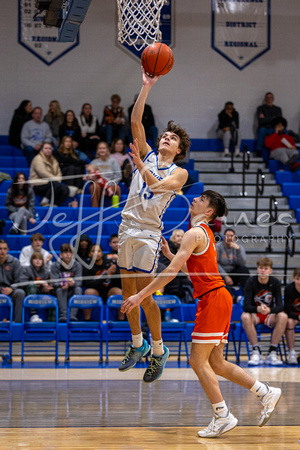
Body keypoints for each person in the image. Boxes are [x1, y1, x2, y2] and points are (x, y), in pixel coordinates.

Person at [121, 190, 282, 438]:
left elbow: (172, 272)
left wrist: (140, 295)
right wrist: (169, 255)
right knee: (215, 363)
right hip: (217, 297)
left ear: (208, 211)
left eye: (201, 200)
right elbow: (193, 269)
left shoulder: (194, 232)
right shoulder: (203, 233)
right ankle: (265, 392)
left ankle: (222, 415)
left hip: (214, 299)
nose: (194, 200)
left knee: (197, 360)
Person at [118, 67, 190, 383]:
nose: (165, 138)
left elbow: (158, 188)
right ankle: (138, 344)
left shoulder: (179, 174)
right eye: (164, 135)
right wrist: (145, 87)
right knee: (126, 293)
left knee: (145, 296)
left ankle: (159, 351)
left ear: (178, 150)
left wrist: (138, 166)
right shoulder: (146, 154)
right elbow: (136, 122)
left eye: (172, 138)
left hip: (148, 233)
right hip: (126, 226)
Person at [241, 257, 288, 366]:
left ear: (270, 271)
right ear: (257, 269)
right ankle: (256, 351)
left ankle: (272, 352)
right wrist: (258, 309)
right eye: (261, 268)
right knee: (245, 316)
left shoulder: (275, 282)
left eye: (265, 268)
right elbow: (246, 306)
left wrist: (269, 310)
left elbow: (280, 306)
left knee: (283, 316)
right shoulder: (251, 281)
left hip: (269, 315)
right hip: (255, 315)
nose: (263, 270)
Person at [82, 244, 123, 321]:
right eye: (93, 251)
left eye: (98, 251)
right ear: (89, 254)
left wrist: (115, 272)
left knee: (118, 292)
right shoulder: (86, 265)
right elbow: (87, 284)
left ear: (102, 253)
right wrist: (106, 275)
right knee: (88, 291)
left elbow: (120, 281)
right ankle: (87, 321)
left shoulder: (110, 263)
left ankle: (121, 320)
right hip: (96, 291)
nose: (96, 253)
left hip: (109, 291)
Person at [158, 229, 194, 304]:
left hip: (179, 276)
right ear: (173, 237)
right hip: (169, 277)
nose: (180, 238)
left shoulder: (184, 249)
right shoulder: (169, 248)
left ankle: (188, 302)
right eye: (178, 236)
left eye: (182, 236)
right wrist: (185, 273)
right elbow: (167, 265)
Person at [29, 142, 70, 206]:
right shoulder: (37, 159)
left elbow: (59, 172)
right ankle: (44, 202)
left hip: (52, 184)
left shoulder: (54, 159)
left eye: (50, 148)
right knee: (55, 184)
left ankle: (55, 205)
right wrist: (56, 180)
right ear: (42, 149)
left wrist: (57, 180)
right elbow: (43, 173)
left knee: (65, 189)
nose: (48, 150)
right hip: (37, 184)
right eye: (46, 148)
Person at [51, 243, 82, 322]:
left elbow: (79, 281)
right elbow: (54, 281)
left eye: (70, 252)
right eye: (65, 252)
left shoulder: (77, 265)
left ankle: (72, 316)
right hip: (60, 289)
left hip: (72, 289)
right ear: (61, 255)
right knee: (60, 289)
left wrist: (73, 282)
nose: (68, 255)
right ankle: (63, 316)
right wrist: (61, 283)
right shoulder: (54, 265)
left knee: (78, 289)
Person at [217, 228, 250, 300]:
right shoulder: (218, 247)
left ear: (234, 237)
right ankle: (231, 297)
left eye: (231, 236)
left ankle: (246, 297)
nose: (229, 238)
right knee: (218, 276)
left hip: (234, 273)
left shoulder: (239, 247)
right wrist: (225, 276)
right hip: (222, 273)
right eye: (227, 236)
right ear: (224, 237)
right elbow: (215, 263)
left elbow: (242, 263)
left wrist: (238, 251)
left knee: (244, 270)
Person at [85, 141, 121, 207]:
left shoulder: (113, 161)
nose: (102, 150)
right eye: (100, 148)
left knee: (117, 188)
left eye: (104, 148)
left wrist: (108, 185)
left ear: (107, 150)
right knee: (94, 187)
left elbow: (118, 176)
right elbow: (88, 177)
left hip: (110, 185)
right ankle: (95, 210)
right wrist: (92, 179)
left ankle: (114, 211)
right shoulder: (93, 162)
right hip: (98, 185)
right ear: (97, 150)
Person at [20, 252, 53, 323]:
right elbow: (22, 283)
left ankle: (52, 321)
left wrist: (46, 289)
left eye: (40, 259)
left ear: (42, 261)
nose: (38, 261)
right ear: (31, 260)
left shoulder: (46, 272)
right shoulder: (27, 269)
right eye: (35, 259)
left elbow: (48, 285)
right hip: (28, 292)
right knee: (32, 286)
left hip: (41, 293)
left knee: (55, 293)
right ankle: (33, 314)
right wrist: (37, 282)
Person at [0, 239, 25, 323]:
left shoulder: (15, 262)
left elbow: (19, 281)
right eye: (0, 249)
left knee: (20, 293)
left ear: (8, 250)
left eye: (4, 249)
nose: (2, 251)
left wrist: (11, 289)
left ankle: (17, 324)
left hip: (10, 290)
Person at [284, 268, 300, 365]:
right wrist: (298, 317)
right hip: (294, 316)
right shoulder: (289, 289)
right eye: (298, 279)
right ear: (294, 278)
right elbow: (288, 310)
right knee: (289, 322)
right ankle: (292, 352)